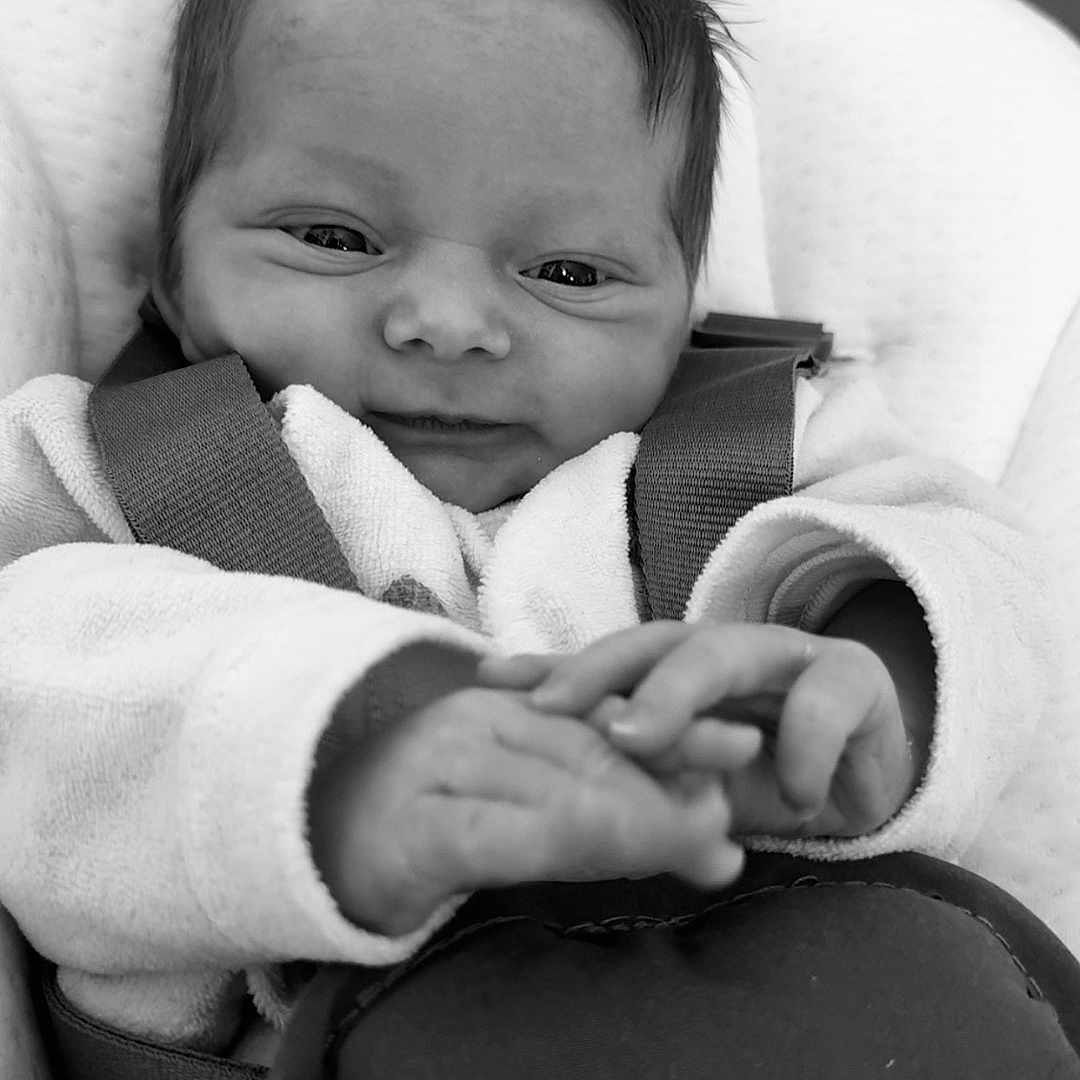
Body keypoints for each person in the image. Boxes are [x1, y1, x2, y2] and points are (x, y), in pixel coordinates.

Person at [0, 0, 1061, 1070]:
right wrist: (343, 758)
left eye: (568, 273)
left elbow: (991, 579)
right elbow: (36, 695)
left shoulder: (758, 455)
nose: (449, 321)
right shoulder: (120, 468)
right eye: (333, 238)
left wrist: (876, 679)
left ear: (684, 307)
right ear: (171, 278)